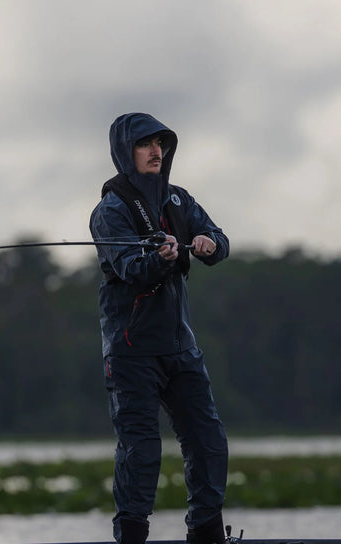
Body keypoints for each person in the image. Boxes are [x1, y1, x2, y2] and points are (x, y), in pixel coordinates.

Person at [89, 112, 230, 544]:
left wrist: (209, 244)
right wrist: (159, 257)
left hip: (180, 348)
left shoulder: (179, 200)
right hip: (131, 351)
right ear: (125, 152)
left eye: (160, 144)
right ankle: (132, 535)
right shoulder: (110, 211)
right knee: (142, 449)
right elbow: (130, 268)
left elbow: (220, 241)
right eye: (145, 144)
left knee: (208, 441)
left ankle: (205, 531)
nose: (156, 152)